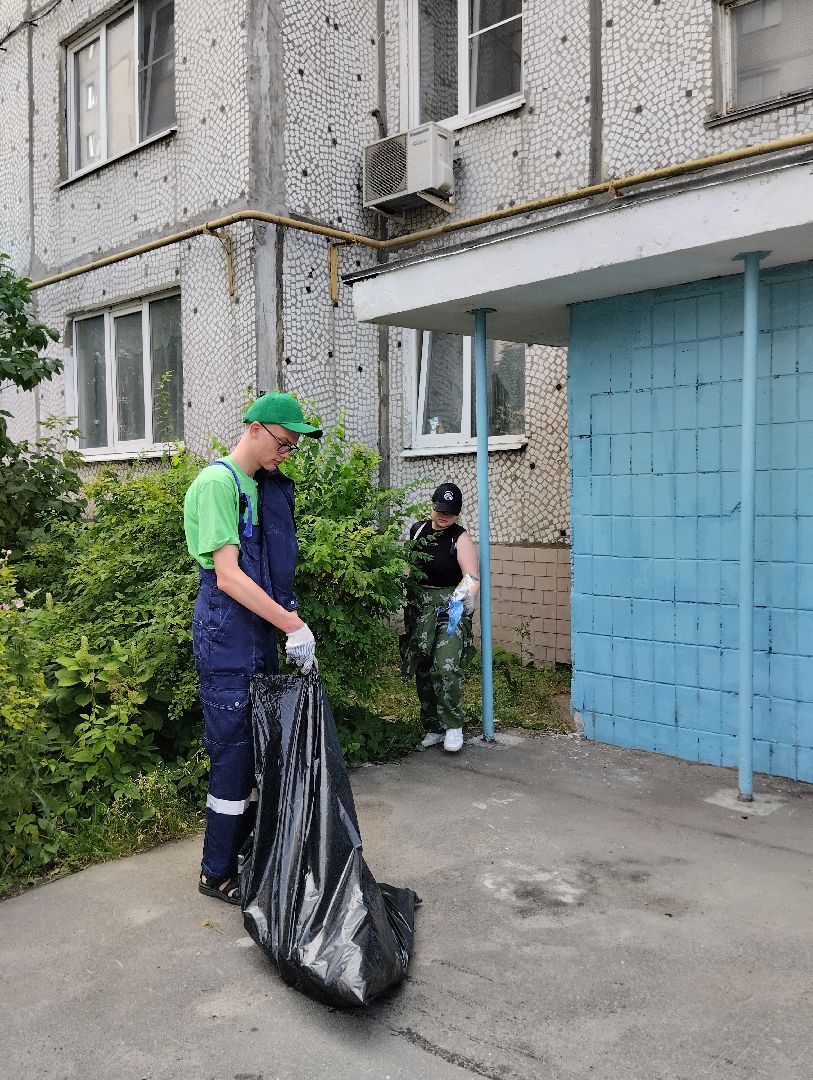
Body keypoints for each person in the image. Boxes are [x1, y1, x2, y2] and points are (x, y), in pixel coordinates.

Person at [183, 392, 322, 905]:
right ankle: (215, 872)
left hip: (259, 634)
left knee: (264, 751)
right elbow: (228, 577)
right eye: (283, 443)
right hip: (228, 639)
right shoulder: (219, 484)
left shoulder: (261, 487)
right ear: (257, 427)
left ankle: (248, 854)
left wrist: (285, 623)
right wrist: (292, 624)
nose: (285, 454)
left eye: (292, 448)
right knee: (234, 758)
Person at [400, 482, 480, 753]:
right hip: (420, 609)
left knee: (444, 666)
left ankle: (453, 725)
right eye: (439, 509)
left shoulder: (460, 537)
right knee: (422, 668)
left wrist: (468, 598)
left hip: (451, 609)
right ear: (432, 506)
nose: (443, 515)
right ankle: (433, 726)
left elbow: (470, 576)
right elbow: (409, 567)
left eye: (450, 512)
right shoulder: (418, 530)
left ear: (457, 513)